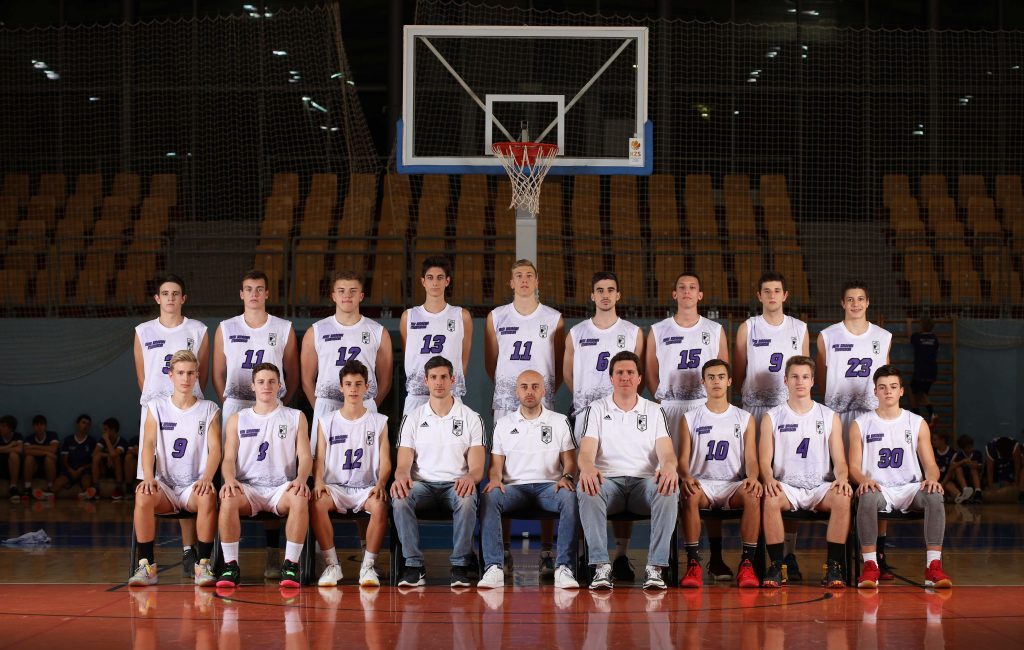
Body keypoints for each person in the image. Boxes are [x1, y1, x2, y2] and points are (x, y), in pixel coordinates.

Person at [213, 269, 299, 579]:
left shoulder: (283, 327)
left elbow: (292, 372)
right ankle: (225, 559)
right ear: (241, 293)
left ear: (267, 294)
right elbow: (218, 373)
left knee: (274, 473)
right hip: (238, 404)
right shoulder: (226, 327)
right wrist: (230, 401)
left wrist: (278, 406)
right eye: (248, 289)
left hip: (273, 405)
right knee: (233, 478)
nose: (254, 294)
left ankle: (274, 554)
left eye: (259, 289)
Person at [646, 271, 728, 580]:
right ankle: (667, 558)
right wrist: (665, 400)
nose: (687, 292)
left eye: (693, 287)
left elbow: (722, 368)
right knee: (669, 482)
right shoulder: (658, 330)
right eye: (682, 287)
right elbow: (651, 372)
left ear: (700, 294)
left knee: (710, 479)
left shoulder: (714, 330)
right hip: (669, 408)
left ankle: (715, 558)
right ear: (674, 294)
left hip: (704, 409)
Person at [562, 270, 643, 580]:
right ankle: (590, 555)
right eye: (600, 290)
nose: (605, 295)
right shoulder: (576, 333)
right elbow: (568, 374)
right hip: (586, 415)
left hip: (623, 416)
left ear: (618, 295)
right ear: (592, 295)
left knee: (625, 474)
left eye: (611, 289)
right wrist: (591, 402)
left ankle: (621, 555)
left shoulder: (633, 332)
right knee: (586, 482)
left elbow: (636, 375)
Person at [485, 258, 564, 572]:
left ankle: (546, 551)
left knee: (549, 472)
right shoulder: (496, 316)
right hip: (507, 403)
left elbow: (558, 365)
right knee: (504, 475)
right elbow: (491, 364)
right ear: (511, 282)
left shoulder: (554, 318)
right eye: (518, 275)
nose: (524, 280)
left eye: (529, 275)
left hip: (542, 404)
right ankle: (503, 550)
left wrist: (538, 392)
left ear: (537, 280)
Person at [576, 351, 679, 591]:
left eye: (630, 372)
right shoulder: (596, 409)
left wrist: (669, 467)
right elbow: (586, 452)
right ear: (611, 378)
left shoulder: (654, 410)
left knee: (669, 488)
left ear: (639, 378)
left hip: (644, 484)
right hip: (608, 484)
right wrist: (588, 467)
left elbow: (667, 453)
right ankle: (601, 567)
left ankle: (655, 568)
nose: (625, 377)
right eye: (620, 372)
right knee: (586, 486)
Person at [733, 271, 808, 581]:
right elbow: (738, 373)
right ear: (759, 296)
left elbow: (803, 372)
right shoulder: (748, 327)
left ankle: (788, 554)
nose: (772, 295)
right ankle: (753, 556)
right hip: (754, 410)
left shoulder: (799, 329)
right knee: (755, 483)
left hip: (787, 414)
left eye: (777, 290)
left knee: (787, 481)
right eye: (767, 291)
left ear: (785, 295)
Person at [848, 365, 952, 589]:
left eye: (893, 387)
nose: (888, 391)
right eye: (882, 387)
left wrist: (932, 479)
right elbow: (853, 467)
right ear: (875, 391)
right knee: (866, 496)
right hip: (879, 489)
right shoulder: (861, 424)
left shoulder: (916, 422)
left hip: (910, 488)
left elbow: (930, 465)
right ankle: (870, 566)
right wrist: (863, 480)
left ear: (901, 391)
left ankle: (933, 566)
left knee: (935, 495)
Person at [815, 280, 891, 581]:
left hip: (872, 419)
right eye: (850, 299)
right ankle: (840, 556)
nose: (856, 304)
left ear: (867, 302)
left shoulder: (883, 337)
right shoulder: (828, 335)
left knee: (876, 482)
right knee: (839, 485)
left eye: (860, 299)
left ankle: (877, 555)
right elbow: (821, 381)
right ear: (843, 303)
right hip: (839, 416)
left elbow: (885, 377)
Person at [134, 273, 209, 576]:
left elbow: (201, 375)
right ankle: (145, 560)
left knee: (187, 476)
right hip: (156, 411)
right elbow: (143, 377)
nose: (170, 298)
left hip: (188, 410)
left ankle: (189, 550)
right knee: (151, 482)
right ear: (157, 298)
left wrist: (183, 402)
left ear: (183, 298)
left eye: (175, 293)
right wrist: (161, 404)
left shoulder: (198, 330)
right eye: (165, 293)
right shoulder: (143, 331)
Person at [479, 370, 579, 589]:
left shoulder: (559, 421)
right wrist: (495, 479)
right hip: (514, 490)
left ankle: (564, 568)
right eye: (524, 387)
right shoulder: (503, 424)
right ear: (517, 392)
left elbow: (570, 461)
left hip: (550, 489)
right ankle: (494, 567)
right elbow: (495, 467)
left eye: (535, 386)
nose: (529, 391)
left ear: (544, 391)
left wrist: (566, 477)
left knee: (570, 496)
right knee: (490, 495)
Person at [391, 355, 485, 588]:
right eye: (433, 377)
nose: (439, 382)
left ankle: (460, 566)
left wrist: (470, 477)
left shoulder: (471, 418)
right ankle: (413, 566)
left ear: (452, 380)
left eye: (443, 377)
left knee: (467, 497)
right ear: (426, 381)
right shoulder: (412, 418)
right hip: (422, 485)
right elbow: (403, 465)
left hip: (455, 485)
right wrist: (401, 476)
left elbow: (477, 468)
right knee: (400, 497)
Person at [129, 350, 222, 587]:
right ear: (170, 375)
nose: (185, 378)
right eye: (180, 373)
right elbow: (148, 444)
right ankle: (146, 565)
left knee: (208, 495)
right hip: (166, 488)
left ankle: (202, 565)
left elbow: (215, 449)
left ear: (197, 376)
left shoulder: (209, 408)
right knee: (143, 493)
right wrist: (148, 477)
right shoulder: (156, 406)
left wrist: (207, 478)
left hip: (193, 488)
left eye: (190, 373)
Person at [217, 362, 312, 588]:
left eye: (271, 382)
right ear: (253, 386)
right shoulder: (238, 419)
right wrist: (229, 480)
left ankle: (290, 565)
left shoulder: (295, 417)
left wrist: (300, 479)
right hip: (248, 488)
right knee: (227, 497)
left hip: (281, 488)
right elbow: (228, 459)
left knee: (300, 497)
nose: (266, 386)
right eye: (261, 382)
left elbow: (306, 457)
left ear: (280, 385)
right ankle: (230, 566)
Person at [759, 356, 851, 589]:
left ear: (812, 381)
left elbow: (840, 461)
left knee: (843, 496)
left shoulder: (829, 416)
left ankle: (833, 566)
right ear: (785, 380)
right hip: (787, 487)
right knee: (769, 497)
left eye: (805, 377)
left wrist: (842, 478)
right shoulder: (772, 417)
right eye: (795, 377)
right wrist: (768, 478)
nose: (800, 382)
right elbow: (764, 460)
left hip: (820, 487)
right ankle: (777, 565)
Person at [677, 359, 761, 589]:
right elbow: (682, 460)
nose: (716, 382)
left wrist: (753, 477)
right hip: (702, 484)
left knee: (753, 494)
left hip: (733, 484)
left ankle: (747, 564)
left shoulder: (744, 417)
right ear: (703, 382)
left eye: (721, 377)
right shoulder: (690, 418)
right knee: (689, 494)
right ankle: (693, 563)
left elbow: (751, 459)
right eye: (711, 377)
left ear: (729, 381)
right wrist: (686, 477)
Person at [312, 359, 391, 588]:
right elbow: (319, 459)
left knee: (380, 504)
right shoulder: (326, 421)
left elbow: (386, 461)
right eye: (348, 384)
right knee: (317, 503)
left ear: (367, 387)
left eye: (358, 384)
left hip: (366, 487)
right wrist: (318, 481)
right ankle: (332, 565)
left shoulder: (379, 421)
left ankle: (368, 566)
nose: (353, 389)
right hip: (335, 487)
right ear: (341, 387)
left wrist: (382, 483)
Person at [301, 270, 393, 454]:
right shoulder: (316, 331)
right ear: (333, 296)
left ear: (361, 296)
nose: (347, 295)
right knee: (321, 462)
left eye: (353, 291)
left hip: (364, 404)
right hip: (327, 404)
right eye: (341, 291)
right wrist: (320, 405)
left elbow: (385, 380)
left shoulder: (378, 332)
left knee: (367, 460)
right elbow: (306, 379)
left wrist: (370, 404)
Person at [400, 256, 472, 415]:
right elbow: (408, 355)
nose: (435, 283)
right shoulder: (409, 316)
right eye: (430, 277)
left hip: (450, 395)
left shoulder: (461, 316)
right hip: (417, 396)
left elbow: (463, 360)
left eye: (440, 278)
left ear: (447, 281)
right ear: (423, 281)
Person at [52, 414, 98, 499]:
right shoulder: (68, 440)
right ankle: (48, 494)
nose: (86, 426)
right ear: (77, 424)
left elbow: (94, 461)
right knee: (58, 483)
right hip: (69, 469)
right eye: (83, 423)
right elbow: (64, 460)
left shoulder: (92, 441)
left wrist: (82, 468)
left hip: (84, 470)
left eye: (88, 424)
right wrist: (71, 470)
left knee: (86, 482)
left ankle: (86, 494)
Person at [907, 315, 939, 424]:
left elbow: (910, 338)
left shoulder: (917, 337)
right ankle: (926, 415)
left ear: (921, 326)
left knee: (914, 391)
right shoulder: (935, 338)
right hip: (932, 370)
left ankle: (929, 414)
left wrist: (909, 323)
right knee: (920, 392)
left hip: (921, 370)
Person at [91, 417, 128, 500]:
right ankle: (96, 488)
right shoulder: (102, 441)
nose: (103, 432)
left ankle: (119, 488)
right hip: (105, 468)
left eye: (105, 429)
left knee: (116, 458)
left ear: (113, 430)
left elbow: (114, 455)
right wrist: (108, 456)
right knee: (96, 457)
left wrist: (107, 439)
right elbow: (94, 454)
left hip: (118, 470)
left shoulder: (122, 441)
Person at [23, 415, 58, 499]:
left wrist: (34, 446)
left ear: (45, 426)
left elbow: (53, 449)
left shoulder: (52, 435)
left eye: (41, 424)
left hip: (49, 466)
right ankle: (27, 488)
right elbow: (27, 451)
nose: (39, 427)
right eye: (36, 425)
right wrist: (46, 452)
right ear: (33, 427)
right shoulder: (29, 438)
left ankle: (50, 488)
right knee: (29, 458)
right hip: (35, 467)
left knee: (49, 459)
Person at [952, 435, 983, 503]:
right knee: (958, 469)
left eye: (971, 447)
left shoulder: (977, 453)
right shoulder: (959, 455)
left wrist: (975, 465)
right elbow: (952, 466)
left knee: (973, 469)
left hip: (973, 477)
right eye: (968, 448)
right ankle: (965, 489)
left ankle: (978, 492)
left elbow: (980, 466)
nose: (970, 449)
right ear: (963, 448)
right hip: (962, 478)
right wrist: (962, 462)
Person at [0, 415, 23, 502]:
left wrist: (2, 449)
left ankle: (13, 487)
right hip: (1, 466)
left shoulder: (18, 436)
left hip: (13, 467)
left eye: (3, 426)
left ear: (10, 428)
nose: (0, 428)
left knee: (14, 455)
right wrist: (10, 445)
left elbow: (19, 449)